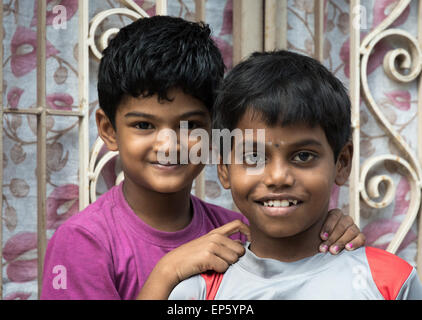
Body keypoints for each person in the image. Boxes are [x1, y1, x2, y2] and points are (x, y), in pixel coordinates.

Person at [40, 16, 365, 300]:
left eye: (191, 125)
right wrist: (167, 273)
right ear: (109, 129)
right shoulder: (83, 243)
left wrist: (327, 230)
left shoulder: (236, 231)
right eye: (143, 125)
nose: (168, 144)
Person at [168, 50, 422, 300]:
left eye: (303, 156)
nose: (278, 177)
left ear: (342, 163)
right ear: (224, 170)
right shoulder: (198, 292)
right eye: (253, 157)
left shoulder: (390, 283)